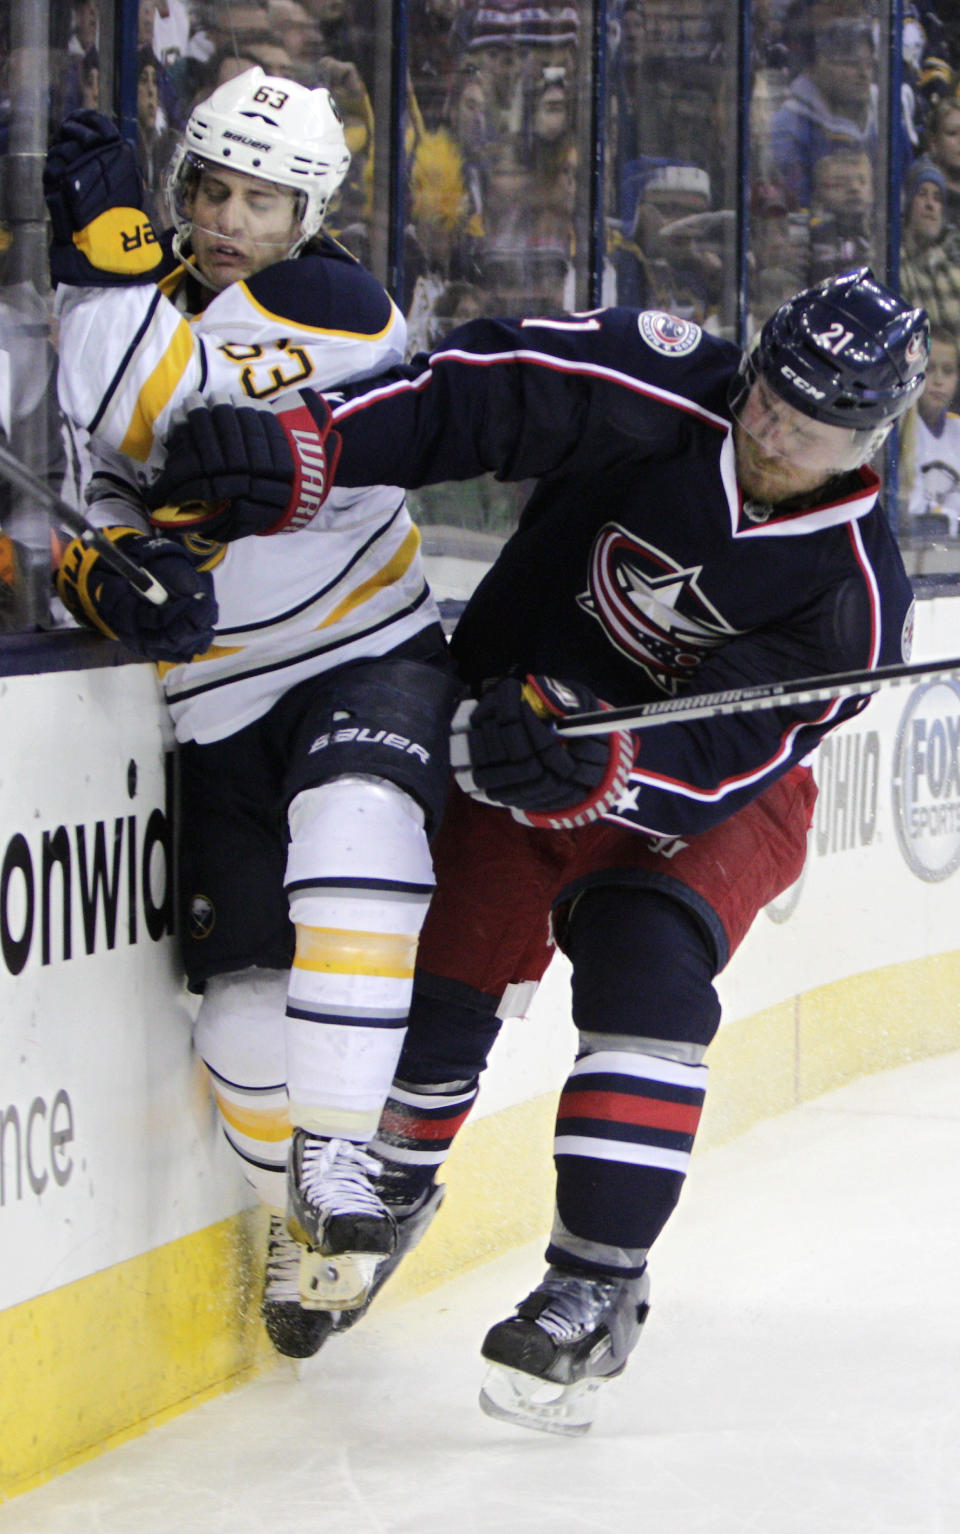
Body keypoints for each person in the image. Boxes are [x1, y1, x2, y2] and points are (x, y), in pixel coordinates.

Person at [147, 267, 926, 1433]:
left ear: (866, 439)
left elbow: (733, 742)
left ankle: (594, 1281)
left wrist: (606, 766)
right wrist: (314, 452)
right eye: (767, 393)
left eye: (805, 424)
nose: (766, 429)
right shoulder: (662, 378)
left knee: (644, 957)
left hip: (701, 794)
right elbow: (486, 388)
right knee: (444, 972)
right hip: (512, 723)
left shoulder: (858, 595)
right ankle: (396, 1182)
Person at [42, 69, 462, 1360]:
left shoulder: (337, 306)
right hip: (216, 694)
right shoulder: (154, 306)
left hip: (362, 645)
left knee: (357, 824)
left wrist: (100, 265)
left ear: (308, 215)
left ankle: (345, 1155)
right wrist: (99, 573)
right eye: (207, 192)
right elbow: (95, 482)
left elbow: (144, 405)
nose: (226, 220)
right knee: (236, 1030)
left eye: (259, 201)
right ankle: (323, 1196)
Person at [899, 327, 960, 534]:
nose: (939, 380)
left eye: (948, 370)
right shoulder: (899, 430)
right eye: (929, 368)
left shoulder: (958, 430)